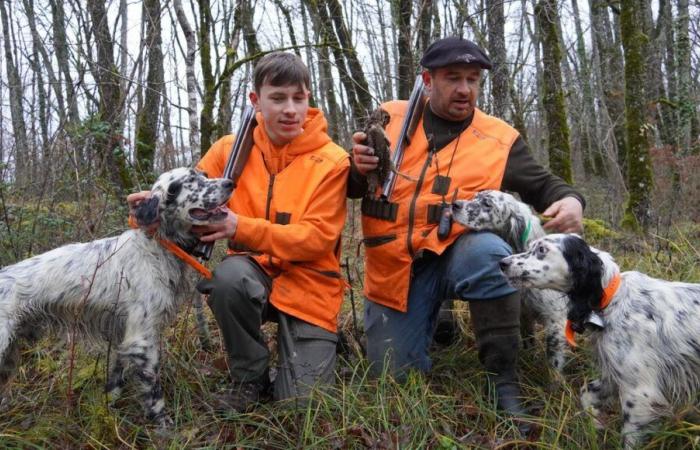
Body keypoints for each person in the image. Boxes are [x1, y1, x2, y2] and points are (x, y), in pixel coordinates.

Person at [348, 37, 584, 429]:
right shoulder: (389, 118)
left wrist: (572, 201)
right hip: (396, 270)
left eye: (473, 79)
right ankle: (435, 316)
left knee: (491, 253)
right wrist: (357, 168)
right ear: (427, 79)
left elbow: (545, 185)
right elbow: (351, 186)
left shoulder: (498, 138)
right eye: (453, 78)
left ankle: (503, 383)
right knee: (393, 379)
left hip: (457, 256)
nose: (464, 89)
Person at [129, 52, 350, 411]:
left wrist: (238, 227)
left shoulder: (333, 160)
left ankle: (319, 344)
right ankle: (250, 377)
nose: (290, 109)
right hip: (251, 279)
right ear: (255, 100)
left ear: (309, 98)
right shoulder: (228, 150)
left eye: (299, 97)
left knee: (302, 407)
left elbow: (317, 240)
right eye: (277, 98)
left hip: (311, 290)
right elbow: (183, 202)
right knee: (227, 277)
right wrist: (147, 215)